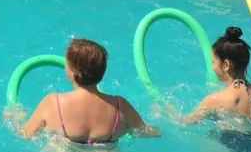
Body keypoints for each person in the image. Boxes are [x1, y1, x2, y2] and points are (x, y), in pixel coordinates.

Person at [16, 38, 160, 143]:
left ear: (74, 70)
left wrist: (14, 117)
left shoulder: (53, 103)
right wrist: (164, 111)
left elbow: (25, 135)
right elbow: (148, 133)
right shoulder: (120, 106)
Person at [182, 27, 251, 152]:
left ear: (226, 65)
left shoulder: (214, 99)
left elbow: (185, 123)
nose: (212, 67)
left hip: (227, 151)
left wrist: (165, 108)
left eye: (213, 62)